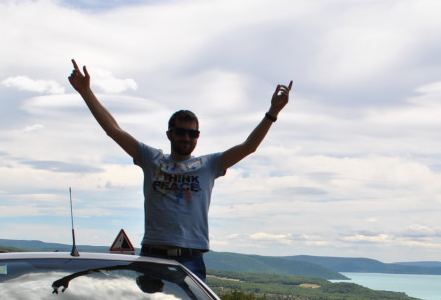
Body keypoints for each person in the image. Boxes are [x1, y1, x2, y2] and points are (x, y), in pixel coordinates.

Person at [68, 59, 291, 280]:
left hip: (190, 258)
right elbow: (113, 130)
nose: (186, 137)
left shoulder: (210, 165)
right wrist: (86, 92)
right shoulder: (151, 159)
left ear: (198, 137)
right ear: (169, 134)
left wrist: (272, 112)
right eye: (181, 132)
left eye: (192, 133)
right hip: (152, 254)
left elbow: (248, 147)